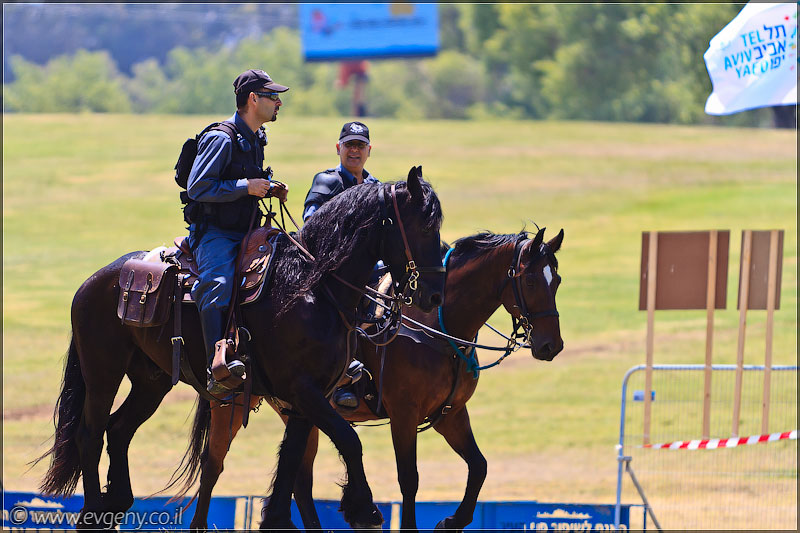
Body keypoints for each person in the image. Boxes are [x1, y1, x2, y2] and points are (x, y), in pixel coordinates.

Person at [186, 69, 289, 395]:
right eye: (272, 96)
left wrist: (268, 188)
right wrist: (248, 186)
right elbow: (197, 187)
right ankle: (216, 368)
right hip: (215, 233)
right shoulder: (221, 137)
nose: (278, 102)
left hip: (247, 231)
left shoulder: (255, 137)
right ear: (253, 99)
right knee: (217, 284)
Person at [302, 121, 379, 408]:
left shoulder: (375, 187)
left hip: (373, 269)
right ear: (339, 148)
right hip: (334, 271)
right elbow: (310, 224)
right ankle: (341, 381)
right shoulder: (327, 181)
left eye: (360, 146)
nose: (354, 151)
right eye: (349, 145)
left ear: (369, 150)